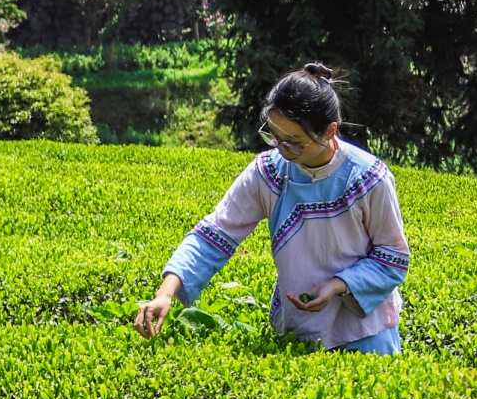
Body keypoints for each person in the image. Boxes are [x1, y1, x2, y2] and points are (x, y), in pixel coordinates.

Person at [134, 64, 413, 351]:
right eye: (274, 136)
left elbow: (392, 258)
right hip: (298, 331)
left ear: (330, 131)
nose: (281, 149)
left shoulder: (368, 178)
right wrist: (166, 292)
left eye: (294, 142)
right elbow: (214, 234)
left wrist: (338, 285)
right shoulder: (268, 172)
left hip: (365, 332)